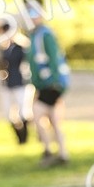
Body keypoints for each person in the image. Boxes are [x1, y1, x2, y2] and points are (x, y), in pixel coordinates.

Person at [26, 9, 70, 167]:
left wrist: (56, 83)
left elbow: (54, 59)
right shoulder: (34, 35)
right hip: (44, 85)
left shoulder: (45, 35)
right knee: (52, 120)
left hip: (51, 85)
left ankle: (51, 151)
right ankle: (60, 152)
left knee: (42, 117)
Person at [0, 24, 31, 144]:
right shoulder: (3, 49)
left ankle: (24, 138)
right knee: (8, 113)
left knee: (23, 111)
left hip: (20, 82)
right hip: (7, 83)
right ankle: (19, 137)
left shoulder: (21, 47)